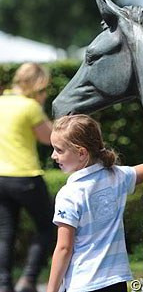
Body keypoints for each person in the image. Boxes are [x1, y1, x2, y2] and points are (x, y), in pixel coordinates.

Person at [47, 94, 143, 292]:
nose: (54, 156)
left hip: (83, 285)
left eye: (59, 150)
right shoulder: (117, 176)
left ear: (81, 153)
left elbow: (64, 248)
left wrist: (51, 289)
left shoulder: (69, 194)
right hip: (117, 281)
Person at [0, 63, 54, 292]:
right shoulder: (29, 106)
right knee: (48, 225)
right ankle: (29, 279)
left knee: (5, 232)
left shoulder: (1, 101)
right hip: (25, 176)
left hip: (0, 178)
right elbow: (49, 139)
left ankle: (4, 284)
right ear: (37, 84)